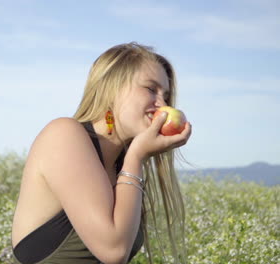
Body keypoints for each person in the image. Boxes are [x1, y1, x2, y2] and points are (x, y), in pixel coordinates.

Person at [11, 42, 192, 264]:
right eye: (150, 89)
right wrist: (136, 158)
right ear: (112, 88)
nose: (162, 104)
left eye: (165, 95)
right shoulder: (63, 135)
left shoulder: (123, 163)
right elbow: (113, 250)